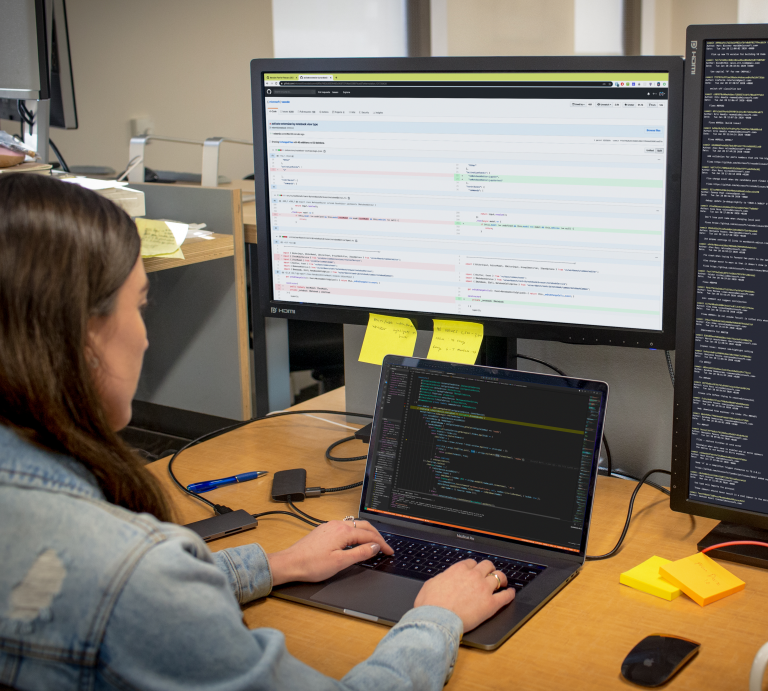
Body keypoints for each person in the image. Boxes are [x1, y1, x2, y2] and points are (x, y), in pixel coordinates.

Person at [0, 174, 515, 690]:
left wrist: (278, 563)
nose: (147, 335)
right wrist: (436, 617)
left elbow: (122, 599)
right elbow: (136, 595)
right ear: (83, 333)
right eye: (140, 304)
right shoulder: (131, 571)